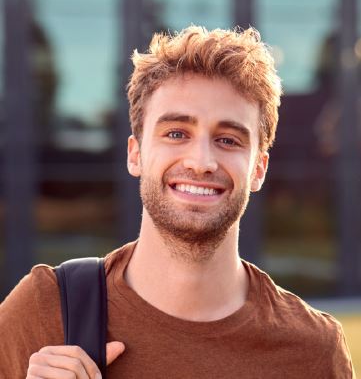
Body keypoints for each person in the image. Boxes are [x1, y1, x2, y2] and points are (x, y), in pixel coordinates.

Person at [0, 25, 355, 379]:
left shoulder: (313, 351)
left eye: (229, 140)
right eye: (176, 133)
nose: (201, 161)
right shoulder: (45, 312)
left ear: (258, 169)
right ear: (135, 154)